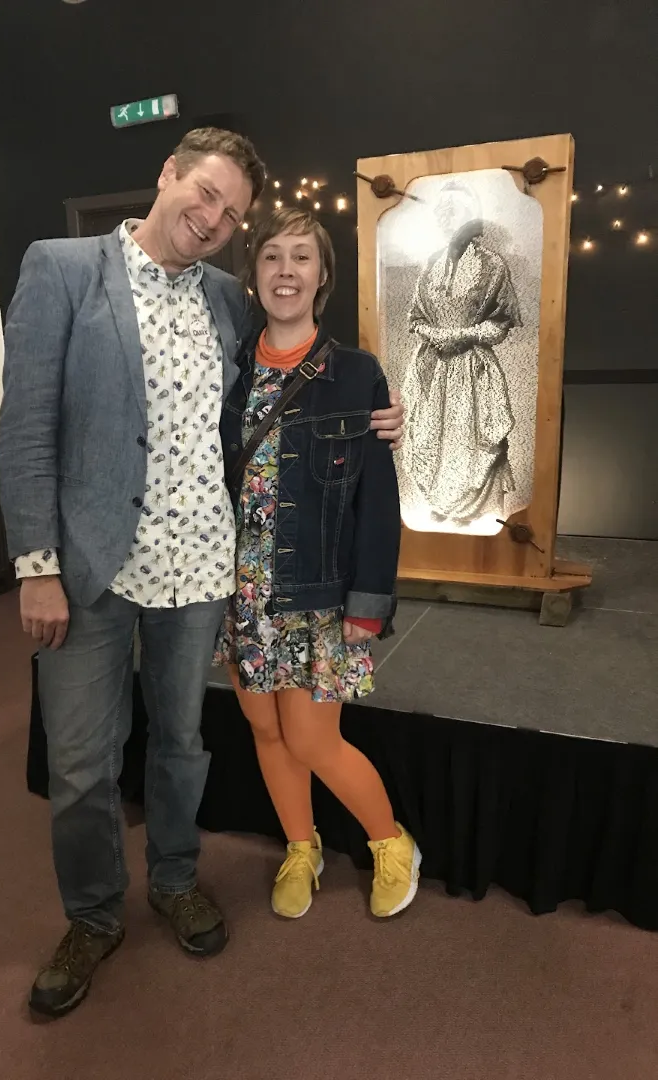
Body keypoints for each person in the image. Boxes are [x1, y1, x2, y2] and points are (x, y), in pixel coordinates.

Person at [0, 127, 406, 1020]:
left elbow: (301, 383)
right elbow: (26, 426)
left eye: (232, 212)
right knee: (79, 765)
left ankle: (175, 881)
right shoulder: (62, 268)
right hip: (91, 572)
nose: (214, 218)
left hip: (202, 576)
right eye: (206, 194)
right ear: (168, 175)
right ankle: (94, 917)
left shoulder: (228, 296)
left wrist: (380, 416)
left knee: (183, 747)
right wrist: (36, 565)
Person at [215, 208, 420, 921]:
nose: (285, 272)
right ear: (254, 275)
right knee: (266, 731)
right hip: (243, 594)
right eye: (271, 257)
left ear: (322, 276)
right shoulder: (230, 369)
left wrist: (371, 599)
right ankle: (301, 847)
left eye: (301, 258)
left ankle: (390, 842)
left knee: (310, 736)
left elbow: (376, 499)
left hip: (318, 592)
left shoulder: (355, 374)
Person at [402, 179, 520, 528]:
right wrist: (436, 336)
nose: (444, 215)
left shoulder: (492, 265)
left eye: (452, 209)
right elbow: (416, 317)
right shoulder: (431, 263)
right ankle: (439, 506)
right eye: (440, 209)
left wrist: (462, 336)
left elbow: (501, 322)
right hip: (431, 368)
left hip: (472, 369)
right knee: (427, 433)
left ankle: (472, 510)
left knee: (469, 434)